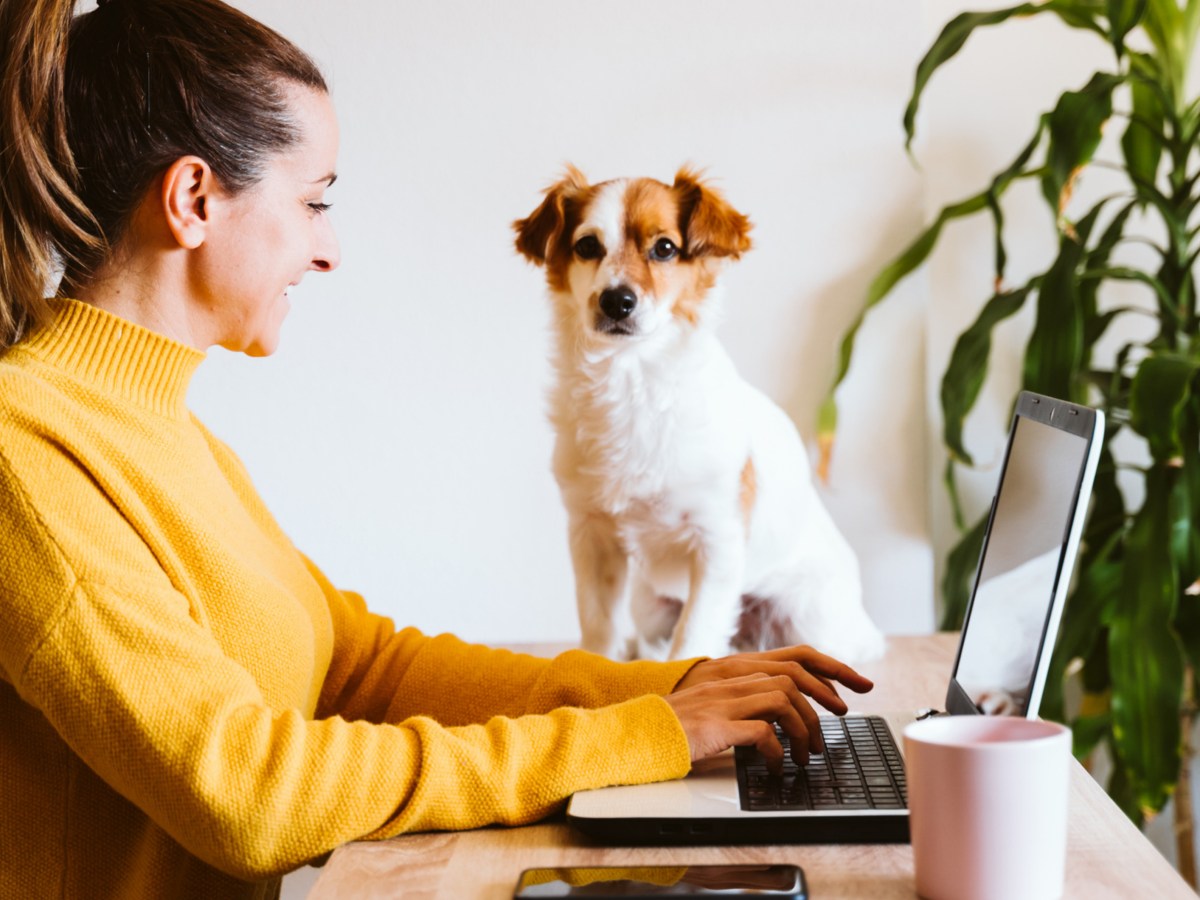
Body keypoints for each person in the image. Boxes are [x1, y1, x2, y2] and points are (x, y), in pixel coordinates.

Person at [0, 1, 875, 897]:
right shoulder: (25, 453)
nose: (328, 249)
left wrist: (674, 688)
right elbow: (251, 796)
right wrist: (647, 736)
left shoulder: (169, 432)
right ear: (193, 200)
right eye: (313, 202)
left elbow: (364, 669)